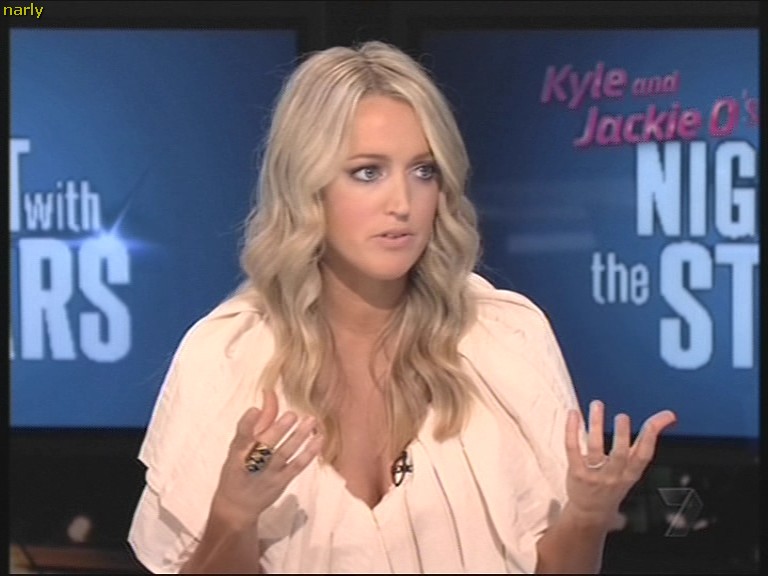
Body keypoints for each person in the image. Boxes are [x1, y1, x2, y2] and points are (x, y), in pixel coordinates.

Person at [127, 40, 676, 574]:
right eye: (368, 172)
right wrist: (232, 515)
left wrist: (587, 515)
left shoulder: (505, 337)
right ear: (307, 187)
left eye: (423, 171)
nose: (403, 203)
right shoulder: (226, 357)